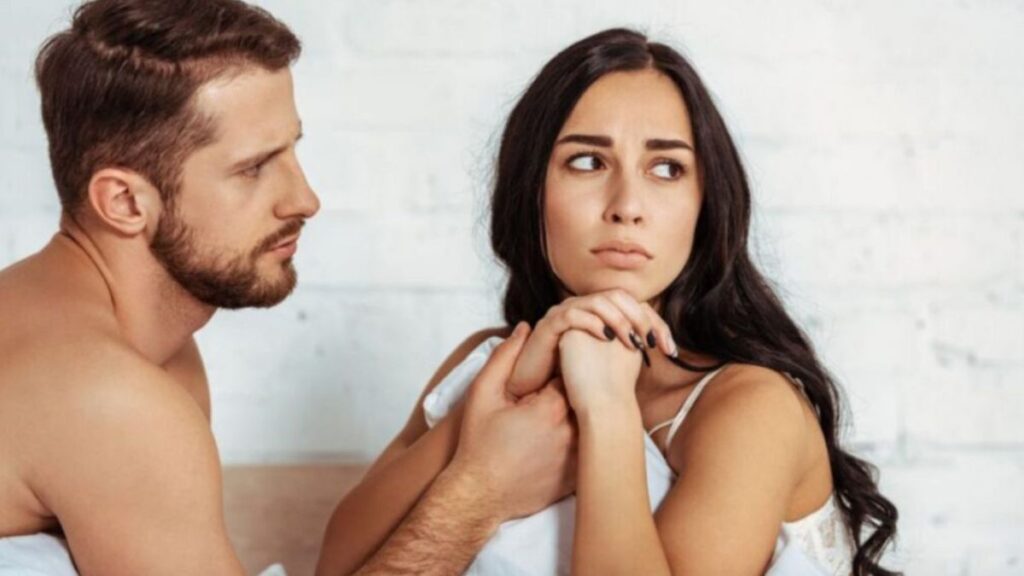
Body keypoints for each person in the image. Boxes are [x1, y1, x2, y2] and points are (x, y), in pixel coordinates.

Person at [0, 2, 571, 574]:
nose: (305, 199)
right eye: (253, 169)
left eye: (292, 151)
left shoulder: (130, 345)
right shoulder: (111, 398)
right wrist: (480, 496)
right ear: (125, 202)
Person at [319, 28, 900, 576]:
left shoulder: (749, 407)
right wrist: (495, 410)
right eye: (588, 162)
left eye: (666, 169)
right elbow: (339, 565)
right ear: (532, 192)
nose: (627, 205)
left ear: (706, 205)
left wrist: (607, 406)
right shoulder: (489, 356)